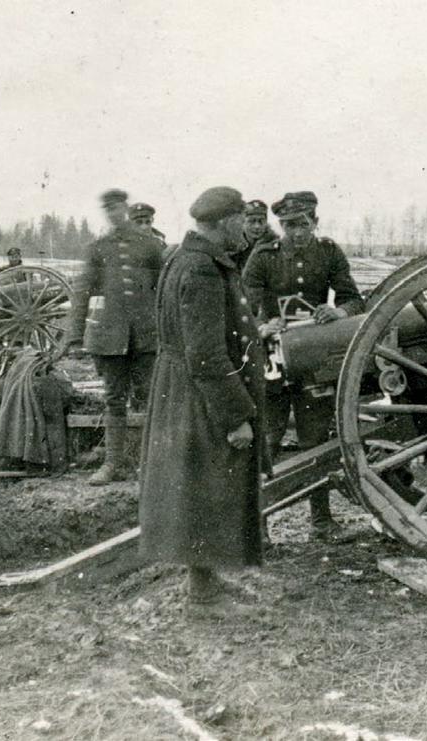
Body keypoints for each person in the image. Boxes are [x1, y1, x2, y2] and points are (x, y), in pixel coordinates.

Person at [139, 186, 267, 607]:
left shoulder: (180, 257)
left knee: (199, 484)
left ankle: (205, 579)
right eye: (240, 220)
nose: (245, 229)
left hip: (181, 385)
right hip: (200, 391)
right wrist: (235, 416)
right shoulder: (203, 269)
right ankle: (202, 591)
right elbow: (208, 354)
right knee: (208, 483)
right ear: (226, 221)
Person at [242, 190, 364, 539]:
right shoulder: (264, 256)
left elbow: (353, 298)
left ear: (315, 222)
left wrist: (338, 311)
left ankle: (321, 521)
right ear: (280, 226)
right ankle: (257, 525)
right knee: (268, 440)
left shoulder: (328, 252)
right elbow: (241, 307)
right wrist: (262, 326)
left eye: (303, 224)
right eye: (289, 225)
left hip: (314, 358)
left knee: (316, 439)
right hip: (272, 357)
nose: (297, 232)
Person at [67, 188, 163, 485]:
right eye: (108, 209)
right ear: (105, 213)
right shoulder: (98, 247)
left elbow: (164, 289)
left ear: (125, 207)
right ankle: (112, 463)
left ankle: (154, 464)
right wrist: (74, 335)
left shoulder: (150, 245)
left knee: (151, 398)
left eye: (118, 207)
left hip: (146, 336)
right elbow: (82, 291)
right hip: (111, 337)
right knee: (114, 400)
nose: (114, 213)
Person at [231, 199, 278, 275]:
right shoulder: (234, 248)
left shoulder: (275, 247)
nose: (257, 226)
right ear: (243, 223)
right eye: (251, 221)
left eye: (261, 221)